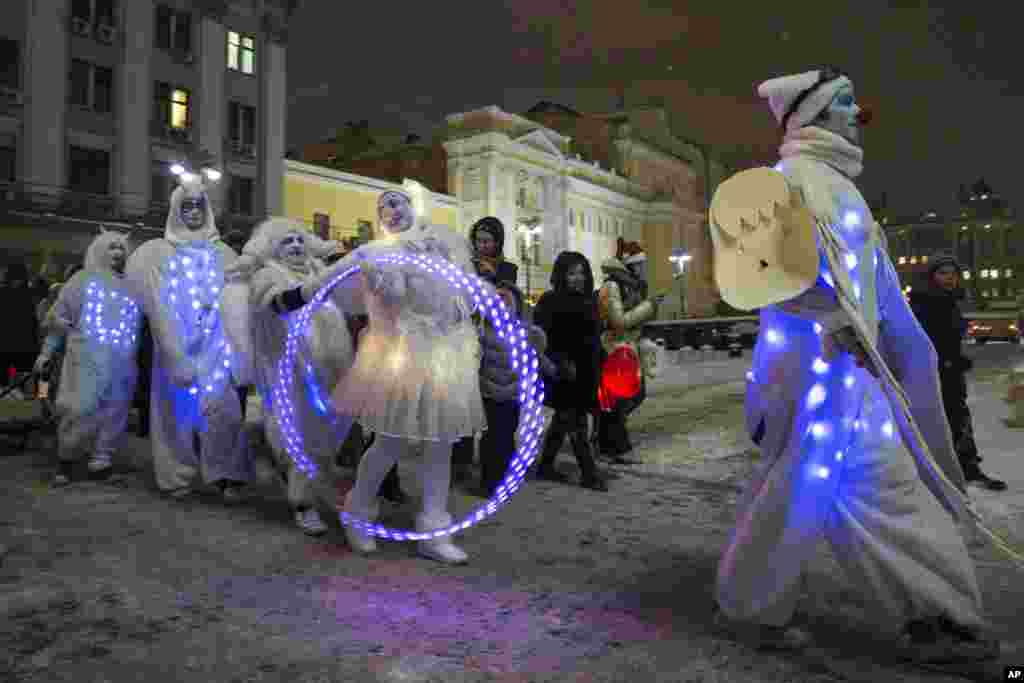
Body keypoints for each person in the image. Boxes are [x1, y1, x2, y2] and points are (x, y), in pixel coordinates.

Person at [712, 68, 997, 662]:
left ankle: (938, 618)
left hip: (856, 378)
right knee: (797, 489)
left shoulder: (844, 190)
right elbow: (765, 277)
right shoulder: (784, 182)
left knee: (879, 488)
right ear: (812, 117)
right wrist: (835, 322)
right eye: (841, 103)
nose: (854, 113)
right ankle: (751, 608)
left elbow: (877, 288)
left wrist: (902, 342)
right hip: (809, 377)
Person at [303, 183, 486, 563]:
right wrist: (289, 296)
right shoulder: (376, 253)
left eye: (398, 202)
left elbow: (467, 293)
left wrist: (459, 307)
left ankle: (433, 530)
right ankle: (358, 511)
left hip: (445, 356)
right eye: (384, 207)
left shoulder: (442, 243)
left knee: (441, 444)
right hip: (403, 357)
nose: (393, 210)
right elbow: (327, 281)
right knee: (391, 440)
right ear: (380, 218)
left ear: (413, 207)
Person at [224, 218, 356, 536]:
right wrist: (325, 279)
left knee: (323, 440)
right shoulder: (268, 275)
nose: (296, 245)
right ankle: (302, 504)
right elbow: (279, 304)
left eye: (300, 239)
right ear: (273, 249)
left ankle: (294, 479)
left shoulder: (315, 270)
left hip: (328, 375)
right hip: (288, 374)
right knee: (298, 437)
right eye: (287, 241)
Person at [125, 175, 252, 502]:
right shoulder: (157, 254)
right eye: (186, 206)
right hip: (175, 344)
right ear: (175, 210)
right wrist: (171, 346)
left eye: (198, 205)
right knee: (174, 413)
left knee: (224, 411)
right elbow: (153, 304)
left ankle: (227, 474)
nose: (193, 212)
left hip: (216, 346)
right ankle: (176, 475)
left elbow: (238, 302)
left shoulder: (223, 254)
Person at [34, 231, 141, 485]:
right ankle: (66, 461)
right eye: (111, 247)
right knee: (78, 408)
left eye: (121, 248)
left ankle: (102, 461)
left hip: (121, 362)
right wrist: (47, 352)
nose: (118, 253)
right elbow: (59, 319)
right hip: (85, 360)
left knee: (115, 411)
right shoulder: (81, 280)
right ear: (99, 250)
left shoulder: (133, 287)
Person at [910, 255, 1006, 491]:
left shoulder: (947, 300)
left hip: (950, 370)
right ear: (931, 277)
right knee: (946, 419)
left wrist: (956, 360)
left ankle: (964, 467)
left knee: (958, 418)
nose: (949, 278)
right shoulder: (926, 302)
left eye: (953, 274)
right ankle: (949, 471)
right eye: (943, 273)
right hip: (935, 373)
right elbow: (925, 340)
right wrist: (947, 362)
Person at [452, 216, 520, 482]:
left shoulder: (508, 268)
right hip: (467, 340)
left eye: (487, 240)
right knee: (466, 403)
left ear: (498, 242)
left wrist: (492, 278)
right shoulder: (466, 267)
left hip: (494, 344)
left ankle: (497, 462)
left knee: (495, 407)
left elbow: (509, 299)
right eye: (478, 240)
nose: (482, 245)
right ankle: (462, 460)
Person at [533, 251, 608, 491]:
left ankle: (546, 465)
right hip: (564, 372)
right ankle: (589, 473)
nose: (578, 278)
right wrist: (558, 362)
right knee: (577, 423)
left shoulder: (589, 301)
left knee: (563, 420)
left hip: (586, 373)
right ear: (562, 275)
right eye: (572, 273)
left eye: (582, 273)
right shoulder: (550, 301)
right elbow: (541, 338)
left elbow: (594, 338)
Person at [595, 240, 662, 464]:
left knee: (630, 398)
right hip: (614, 349)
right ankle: (614, 446)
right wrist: (649, 307)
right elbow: (619, 322)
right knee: (619, 402)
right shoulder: (613, 286)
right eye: (640, 264)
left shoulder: (630, 285)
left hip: (627, 349)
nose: (644, 269)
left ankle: (605, 439)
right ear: (630, 265)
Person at [0, 262, 40, 387]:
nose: (17, 281)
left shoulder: (26, 293)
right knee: (9, 374)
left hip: (20, 342)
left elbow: (32, 319)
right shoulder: (27, 293)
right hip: (12, 342)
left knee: (21, 373)